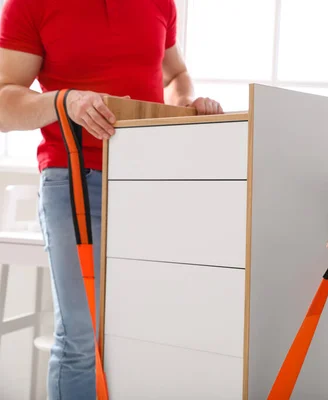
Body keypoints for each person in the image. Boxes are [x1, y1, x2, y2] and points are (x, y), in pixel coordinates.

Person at [0, 0, 222, 398]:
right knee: (81, 337)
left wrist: (187, 104)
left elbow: (177, 76)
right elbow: (3, 102)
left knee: (146, 336)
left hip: (151, 182)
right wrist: (62, 101)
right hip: (75, 182)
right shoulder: (31, 4)